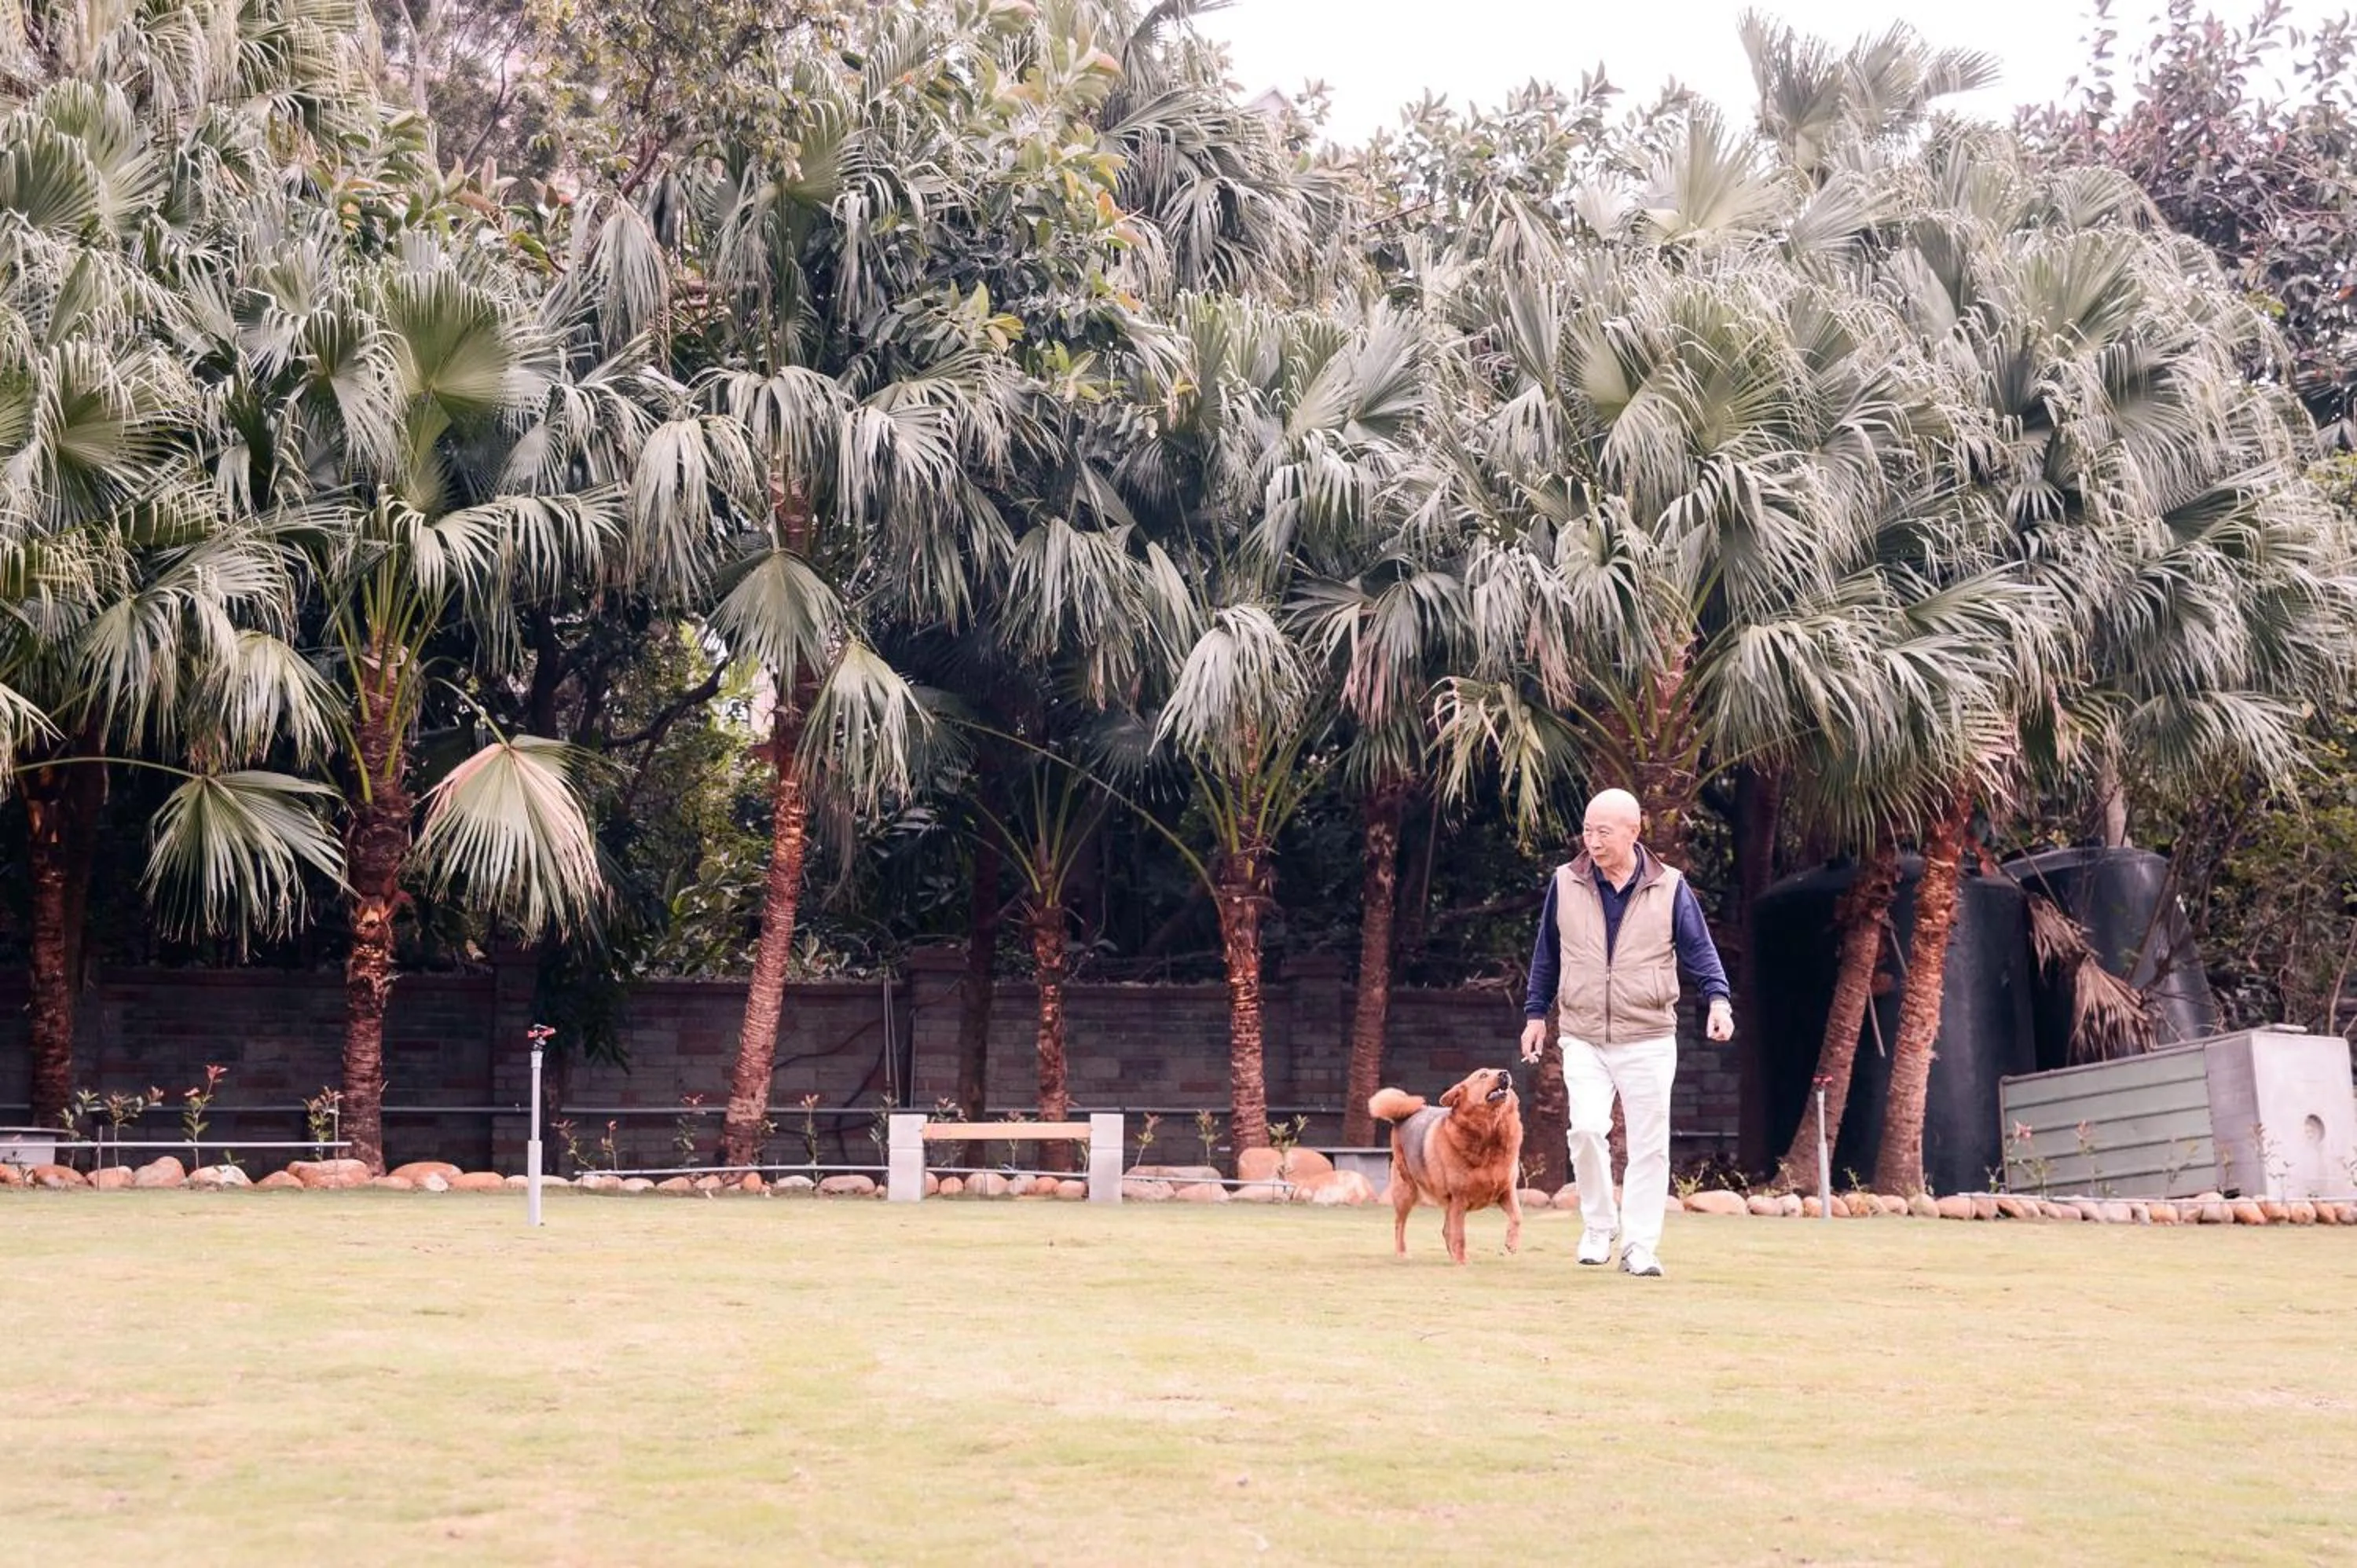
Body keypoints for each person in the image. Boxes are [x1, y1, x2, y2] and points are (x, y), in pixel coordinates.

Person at [1517, 788, 1731, 1278]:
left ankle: (1639, 1247)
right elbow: (1547, 953)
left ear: (1634, 832)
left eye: (1604, 832)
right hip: (1583, 1033)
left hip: (1649, 1034)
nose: (1593, 841)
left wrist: (1718, 1000)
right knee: (1586, 1129)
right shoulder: (1565, 882)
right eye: (1587, 831)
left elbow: (1700, 951)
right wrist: (1535, 1014)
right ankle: (1599, 1226)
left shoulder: (1670, 886)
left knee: (1649, 1146)